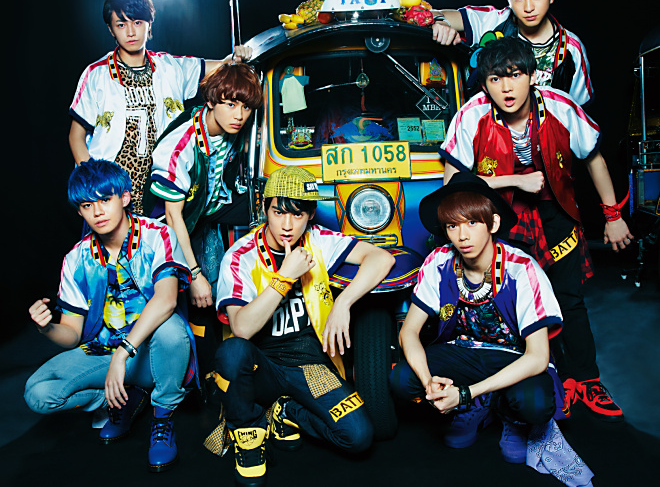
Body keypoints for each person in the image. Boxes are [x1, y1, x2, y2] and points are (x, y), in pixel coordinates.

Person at [440, 36, 633, 421]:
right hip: (498, 216)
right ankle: (533, 380)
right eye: (496, 79)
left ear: (532, 76)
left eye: (515, 75)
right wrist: (514, 180)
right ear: (485, 84)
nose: (506, 87)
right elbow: (452, 185)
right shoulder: (471, 115)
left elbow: (593, 158)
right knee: (507, 301)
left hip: (555, 209)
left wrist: (613, 215)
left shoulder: (560, 105)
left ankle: (586, 379)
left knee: (569, 298)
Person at [390, 173, 594, 487]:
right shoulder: (440, 261)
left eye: (472, 222)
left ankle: (507, 412)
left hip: (514, 358)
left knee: (535, 404)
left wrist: (465, 393)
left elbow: (538, 357)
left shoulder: (521, 269)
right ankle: (476, 407)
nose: (462, 235)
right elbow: (409, 332)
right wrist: (429, 381)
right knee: (403, 379)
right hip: (463, 353)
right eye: (452, 225)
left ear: (493, 223)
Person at [211, 166, 394, 486]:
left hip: (311, 366)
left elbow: (382, 258)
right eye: (278, 212)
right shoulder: (239, 256)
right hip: (260, 368)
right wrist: (284, 277)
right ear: (264, 209)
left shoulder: (317, 240)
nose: (287, 225)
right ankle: (249, 435)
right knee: (232, 351)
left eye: (297, 214)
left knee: (359, 436)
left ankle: (284, 412)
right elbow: (241, 328)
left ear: (310, 215)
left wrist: (343, 303)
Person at [24, 159, 194, 472]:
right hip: (105, 354)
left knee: (170, 328)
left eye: (105, 199)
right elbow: (72, 334)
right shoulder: (76, 258)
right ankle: (120, 400)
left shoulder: (157, 236)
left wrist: (123, 353)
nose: (98, 212)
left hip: (152, 355)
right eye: (87, 205)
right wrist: (47, 328)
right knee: (37, 392)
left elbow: (167, 299)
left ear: (125, 197)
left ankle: (163, 417)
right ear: (80, 212)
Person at [68, 0, 251, 214]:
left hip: (160, 187)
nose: (131, 32)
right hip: (110, 190)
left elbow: (222, 66)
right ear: (111, 29)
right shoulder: (96, 74)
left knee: (165, 236)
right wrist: (92, 184)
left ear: (149, 24)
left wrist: (238, 56)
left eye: (138, 22)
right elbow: (76, 135)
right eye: (121, 25)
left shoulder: (169, 67)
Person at [144, 62, 262, 381]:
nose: (239, 115)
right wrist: (193, 273)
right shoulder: (179, 146)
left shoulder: (235, 128)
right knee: (198, 296)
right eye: (231, 104)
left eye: (246, 107)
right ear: (210, 101)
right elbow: (173, 217)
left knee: (270, 210)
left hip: (209, 209)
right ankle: (200, 376)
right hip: (171, 226)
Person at [431, 0, 593, 107]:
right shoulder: (493, 21)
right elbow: (431, 14)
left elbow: (580, 113)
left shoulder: (571, 49)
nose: (528, 7)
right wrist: (441, 23)